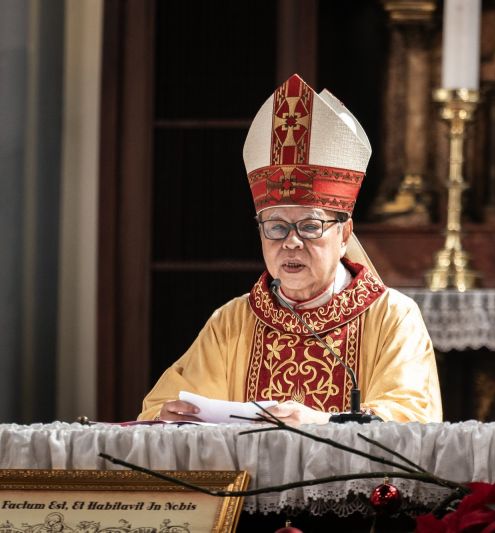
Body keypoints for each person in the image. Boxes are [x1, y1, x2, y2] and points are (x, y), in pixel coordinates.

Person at [139, 74, 442, 425]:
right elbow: (157, 410)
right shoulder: (232, 322)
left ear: (344, 233)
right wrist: (168, 418)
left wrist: (320, 423)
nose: (291, 242)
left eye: (310, 226)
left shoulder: (392, 317)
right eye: (276, 227)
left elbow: (412, 420)